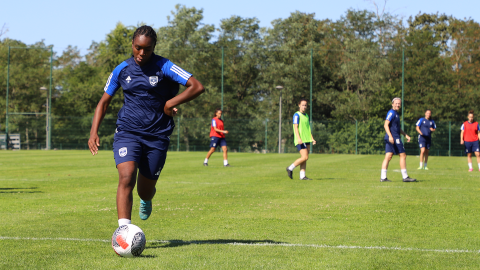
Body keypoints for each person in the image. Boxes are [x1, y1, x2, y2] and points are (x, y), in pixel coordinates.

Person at [88, 26, 204, 227]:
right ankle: (124, 232)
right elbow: (103, 102)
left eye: (147, 49)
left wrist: (170, 103)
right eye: (138, 47)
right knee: (127, 176)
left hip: (157, 135)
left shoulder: (165, 66)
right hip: (128, 131)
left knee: (145, 190)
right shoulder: (121, 69)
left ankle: (147, 199)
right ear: (132, 45)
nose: (142, 53)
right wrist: (93, 132)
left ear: (154, 48)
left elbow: (197, 86)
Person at [380, 97, 416, 182]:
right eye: (396, 103)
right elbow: (385, 125)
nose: (398, 105)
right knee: (403, 155)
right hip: (394, 138)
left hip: (394, 137)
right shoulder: (391, 113)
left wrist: (405, 135)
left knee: (388, 156)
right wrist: (390, 136)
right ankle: (405, 177)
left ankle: (383, 177)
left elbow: (397, 128)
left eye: (399, 103)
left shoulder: (396, 114)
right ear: (392, 104)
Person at [286, 99, 316, 180]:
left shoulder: (306, 115)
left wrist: (312, 139)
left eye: (305, 105)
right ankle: (290, 168)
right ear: (299, 105)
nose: (304, 106)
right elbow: (295, 127)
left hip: (307, 139)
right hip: (300, 140)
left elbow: (308, 128)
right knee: (305, 157)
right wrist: (299, 138)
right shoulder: (296, 115)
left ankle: (302, 176)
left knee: (305, 158)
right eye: (303, 105)